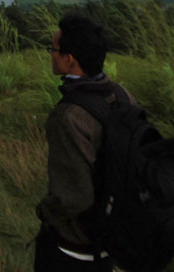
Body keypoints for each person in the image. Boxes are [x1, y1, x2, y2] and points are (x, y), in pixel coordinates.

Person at [35, 14, 134, 271]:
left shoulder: (68, 116)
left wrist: (44, 212)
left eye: (54, 49)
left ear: (70, 59)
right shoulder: (123, 96)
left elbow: (72, 198)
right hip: (112, 238)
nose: (50, 54)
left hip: (74, 248)